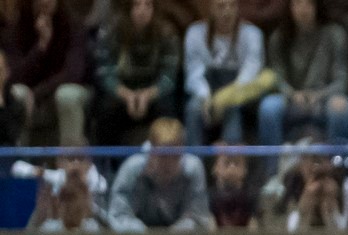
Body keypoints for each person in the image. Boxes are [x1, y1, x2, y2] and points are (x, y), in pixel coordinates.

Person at [264, 0, 348, 146]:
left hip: (325, 98)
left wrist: (319, 95)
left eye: (308, 4)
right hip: (292, 98)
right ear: (290, 8)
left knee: (340, 107)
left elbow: (342, 81)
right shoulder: (279, 37)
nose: (303, 9)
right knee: (268, 107)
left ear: (317, 6)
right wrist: (293, 94)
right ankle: (272, 166)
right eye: (298, 4)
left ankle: (334, 165)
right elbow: (277, 78)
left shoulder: (335, 34)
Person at [93, 0, 181, 146]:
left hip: (154, 89)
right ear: (128, 9)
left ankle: (165, 158)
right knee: (105, 110)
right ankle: (107, 164)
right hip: (121, 88)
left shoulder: (167, 33)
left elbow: (169, 77)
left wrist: (147, 95)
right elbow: (105, 74)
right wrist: (127, 95)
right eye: (137, 5)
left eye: (148, 5)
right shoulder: (110, 31)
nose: (142, 10)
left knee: (167, 108)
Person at [183, 0, 265, 146]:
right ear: (211, 9)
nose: (227, 12)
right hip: (207, 90)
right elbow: (194, 72)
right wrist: (206, 98)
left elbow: (251, 70)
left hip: (239, 91)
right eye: (221, 6)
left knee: (231, 107)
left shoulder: (252, 34)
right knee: (193, 108)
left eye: (232, 6)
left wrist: (226, 97)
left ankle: (230, 161)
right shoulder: (195, 33)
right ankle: (195, 161)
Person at [108, 117, 213, 230]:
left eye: (175, 156)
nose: (169, 163)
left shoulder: (193, 169)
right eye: (163, 155)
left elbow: (198, 218)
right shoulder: (132, 169)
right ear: (151, 150)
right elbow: (118, 215)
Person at [8, 0, 89, 146]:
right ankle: (20, 162)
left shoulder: (73, 25)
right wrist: (41, 47)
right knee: (17, 93)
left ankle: (69, 161)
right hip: (29, 93)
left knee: (67, 95)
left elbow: (73, 73)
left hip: (63, 90)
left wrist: (38, 92)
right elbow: (13, 75)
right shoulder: (19, 26)